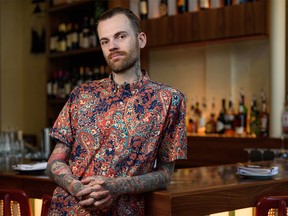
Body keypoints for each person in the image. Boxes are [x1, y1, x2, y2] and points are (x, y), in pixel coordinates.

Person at [46, 7, 187, 216]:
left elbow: (165, 174)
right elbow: (54, 162)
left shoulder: (170, 100)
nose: (112, 46)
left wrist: (116, 186)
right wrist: (78, 188)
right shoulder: (81, 94)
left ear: (141, 40)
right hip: (66, 210)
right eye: (105, 41)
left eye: (120, 36)